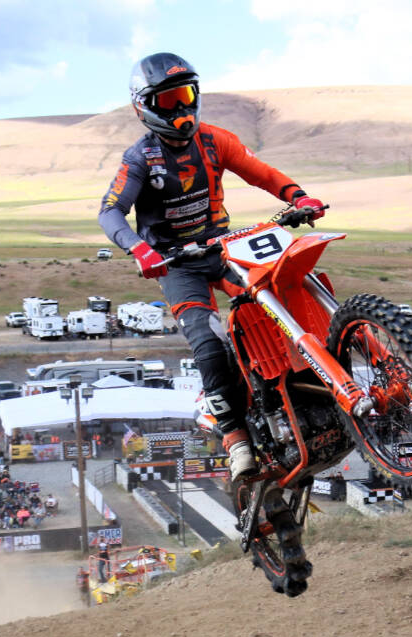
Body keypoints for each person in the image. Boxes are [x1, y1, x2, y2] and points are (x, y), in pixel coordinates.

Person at [98, 52, 326, 481]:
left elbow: (259, 172)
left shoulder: (215, 140)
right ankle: (236, 439)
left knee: (281, 301)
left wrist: (299, 197)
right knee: (208, 342)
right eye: (168, 102)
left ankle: (297, 390)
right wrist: (137, 249)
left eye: (186, 96)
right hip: (176, 264)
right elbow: (110, 212)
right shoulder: (140, 158)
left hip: (223, 249)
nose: (181, 109)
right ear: (145, 106)